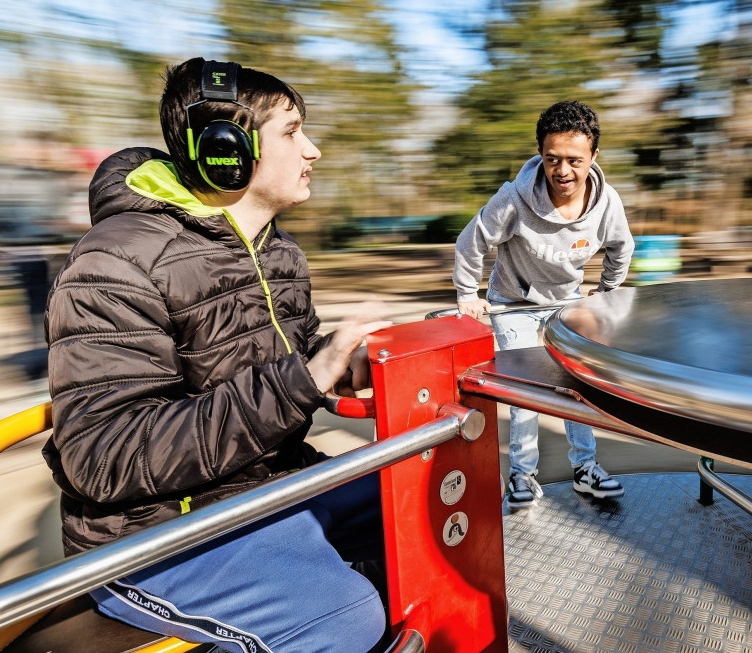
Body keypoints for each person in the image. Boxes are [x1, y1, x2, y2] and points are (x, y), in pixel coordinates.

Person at [41, 58, 392, 652]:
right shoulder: (114, 265)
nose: (314, 150)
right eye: (292, 131)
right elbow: (102, 456)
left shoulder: (277, 252)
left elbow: (284, 364)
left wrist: (347, 361)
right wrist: (302, 379)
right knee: (347, 618)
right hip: (160, 534)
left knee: (429, 498)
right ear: (227, 151)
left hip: (268, 488)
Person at [453, 100, 635, 510]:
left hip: (567, 301)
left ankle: (586, 469)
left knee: (577, 385)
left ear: (593, 156)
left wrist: (606, 289)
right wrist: (468, 295)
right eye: (552, 159)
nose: (563, 171)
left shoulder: (606, 204)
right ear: (540, 154)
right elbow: (471, 243)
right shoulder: (513, 199)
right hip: (511, 303)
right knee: (525, 394)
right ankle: (522, 475)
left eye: (574, 160)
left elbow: (622, 249)